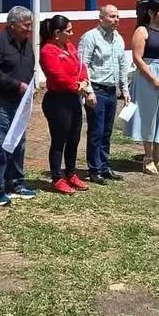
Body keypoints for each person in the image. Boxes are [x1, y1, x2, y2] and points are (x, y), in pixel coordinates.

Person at [0, 6, 38, 207]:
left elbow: (29, 68)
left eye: (30, 25)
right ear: (12, 25)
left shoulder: (26, 44)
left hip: (20, 102)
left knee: (18, 142)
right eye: (25, 25)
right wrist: (17, 85)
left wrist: (29, 87)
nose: (28, 29)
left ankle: (15, 183)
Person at [38, 15, 93, 194]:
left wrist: (84, 80)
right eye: (68, 30)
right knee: (59, 139)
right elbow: (57, 75)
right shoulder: (48, 51)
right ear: (57, 33)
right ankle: (56, 178)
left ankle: (71, 173)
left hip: (73, 98)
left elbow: (80, 66)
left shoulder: (69, 46)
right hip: (57, 100)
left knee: (74, 138)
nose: (72, 33)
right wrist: (77, 86)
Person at [124, 0, 159, 172]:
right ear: (150, 12)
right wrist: (153, 78)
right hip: (148, 75)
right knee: (148, 116)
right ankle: (147, 157)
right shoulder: (142, 31)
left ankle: (157, 155)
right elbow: (137, 58)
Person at [77, 4, 130, 181]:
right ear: (101, 18)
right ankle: (94, 169)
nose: (116, 20)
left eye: (117, 16)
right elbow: (83, 65)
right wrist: (88, 91)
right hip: (96, 89)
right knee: (96, 131)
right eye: (112, 16)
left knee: (107, 131)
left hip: (111, 91)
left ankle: (104, 166)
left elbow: (122, 65)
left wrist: (125, 89)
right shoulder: (91, 37)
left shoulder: (118, 39)